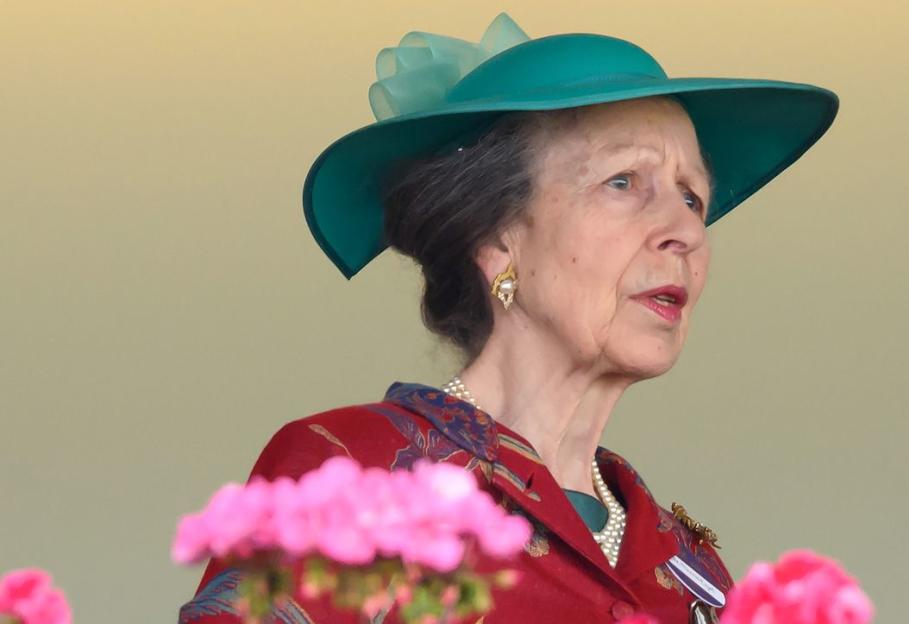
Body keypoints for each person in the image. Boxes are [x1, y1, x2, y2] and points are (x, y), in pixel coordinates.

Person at [179, 12, 838, 624]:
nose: (684, 232)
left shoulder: (692, 572)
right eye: (623, 182)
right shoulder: (352, 478)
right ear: (497, 239)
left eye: (693, 197)